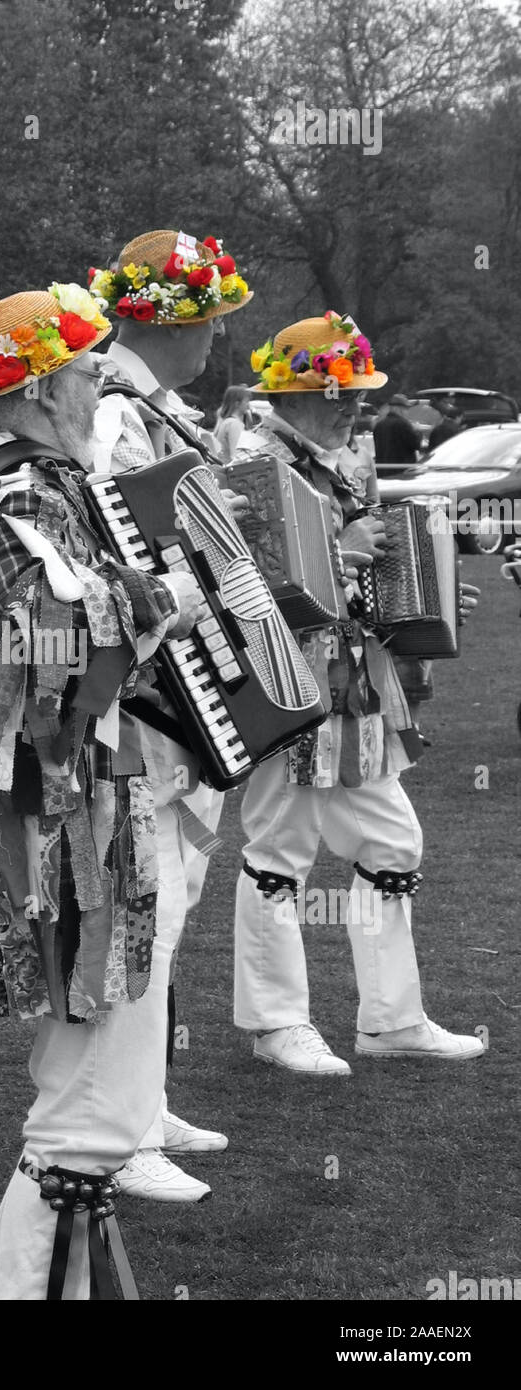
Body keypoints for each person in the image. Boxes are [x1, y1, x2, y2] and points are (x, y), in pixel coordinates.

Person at [0, 284, 207, 1299]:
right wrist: (168, 599)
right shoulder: (16, 489)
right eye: (80, 373)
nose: (93, 389)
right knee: (89, 1097)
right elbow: (45, 650)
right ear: (33, 389)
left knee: (91, 1069)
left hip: (61, 800)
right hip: (57, 805)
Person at [232, 314, 484, 1073]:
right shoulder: (254, 462)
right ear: (292, 395)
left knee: (391, 843)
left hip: (350, 685)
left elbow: (357, 576)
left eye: (356, 394)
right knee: (279, 848)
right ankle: (276, 1023)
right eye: (338, 393)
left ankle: (391, 1019)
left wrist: (426, 597)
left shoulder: (329, 460)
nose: (353, 407)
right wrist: (339, 553)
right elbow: (247, 586)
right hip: (287, 683)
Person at [86, 228, 253, 1202]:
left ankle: (142, 1103)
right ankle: (116, 1132)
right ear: (172, 320)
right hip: (144, 691)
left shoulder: (158, 410)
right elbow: (119, 550)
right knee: (143, 904)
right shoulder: (115, 411)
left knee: (172, 897)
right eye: (211, 316)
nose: (219, 333)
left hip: (180, 681)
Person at [373, 393, 420, 467]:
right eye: (405, 409)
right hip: (402, 469)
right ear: (397, 408)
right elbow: (416, 445)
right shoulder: (403, 424)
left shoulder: (379, 425)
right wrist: (417, 431)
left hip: (383, 469)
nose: (407, 412)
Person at [213, 383, 256, 462]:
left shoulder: (227, 421)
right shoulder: (234, 424)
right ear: (237, 404)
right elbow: (236, 456)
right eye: (246, 401)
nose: (248, 406)